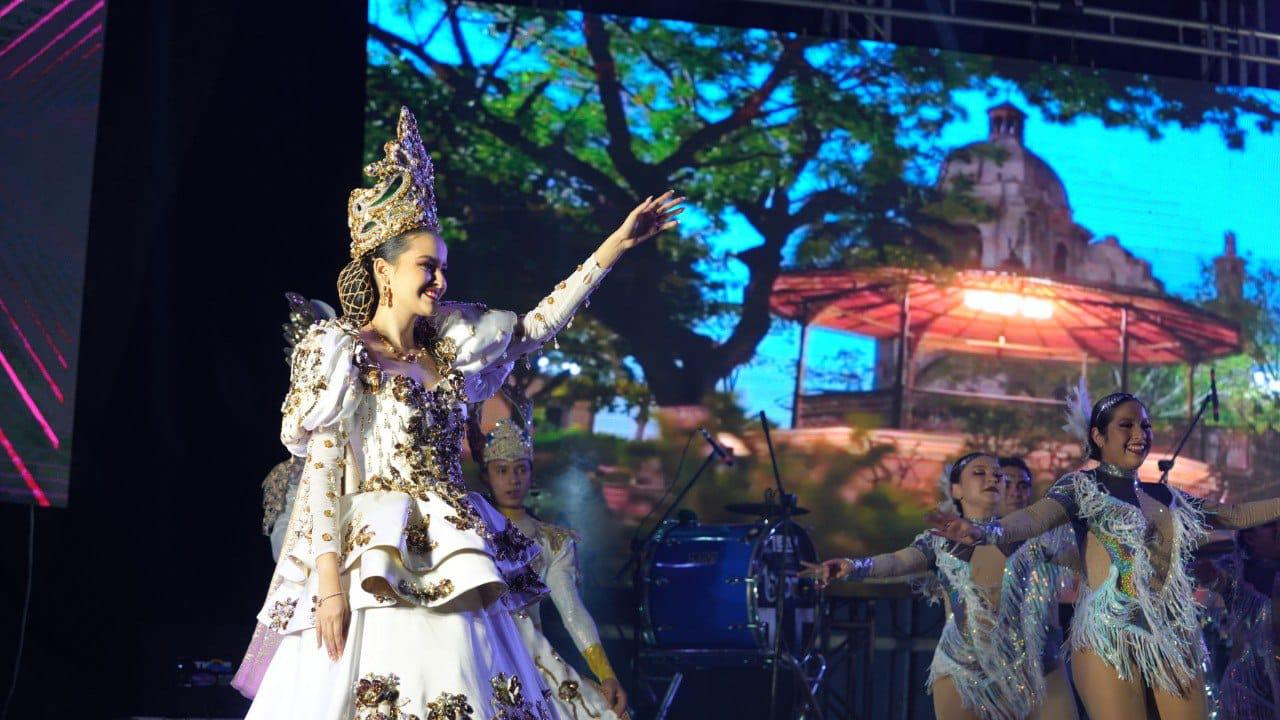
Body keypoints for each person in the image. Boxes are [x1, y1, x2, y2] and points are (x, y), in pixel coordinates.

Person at [232, 106, 684, 719]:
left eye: (443, 266)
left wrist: (615, 246)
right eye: (427, 265)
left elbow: (539, 325)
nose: (442, 279)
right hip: (376, 560)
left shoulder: (452, 350)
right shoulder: (344, 355)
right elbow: (322, 474)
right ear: (383, 271)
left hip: (456, 546)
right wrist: (331, 588)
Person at [928, 387, 1280, 720]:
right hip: (1109, 633)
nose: (1140, 433)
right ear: (1098, 435)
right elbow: (1033, 519)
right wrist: (985, 531)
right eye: (1126, 425)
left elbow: (1235, 515)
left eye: (1145, 425)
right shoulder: (1081, 487)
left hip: (1171, 631)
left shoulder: (1166, 496)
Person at [805, 453, 1076, 720]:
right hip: (965, 673)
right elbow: (899, 561)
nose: (992, 478)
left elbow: (1084, 560)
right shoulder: (940, 543)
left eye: (997, 474)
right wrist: (853, 567)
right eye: (979, 473)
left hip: (1038, 671)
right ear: (956, 490)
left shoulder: (1039, 539)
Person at [478, 415, 630, 720]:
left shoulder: (552, 541)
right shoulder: (471, 533)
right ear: (487, 476)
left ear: (532, 475)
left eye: (521, 470)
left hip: (531, 657)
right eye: (502, 471)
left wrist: (606, 673)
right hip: (480, 649)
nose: (513, 480)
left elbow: (572, 611)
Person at [998, 455, 1080, 720]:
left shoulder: (1048, 535)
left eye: (1022, 485)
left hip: (1047, 657)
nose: (1015, 492)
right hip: (994, 665)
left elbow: (1082, 564)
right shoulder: (974, 541)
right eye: (1006, 483)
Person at [1201, 519, 1280, 718]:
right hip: (1245, 698)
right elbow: (1222, 582)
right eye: (1270, 524)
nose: (1279, 529)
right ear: (1250, 537)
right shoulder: (1236, 569)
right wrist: (1212, 577)